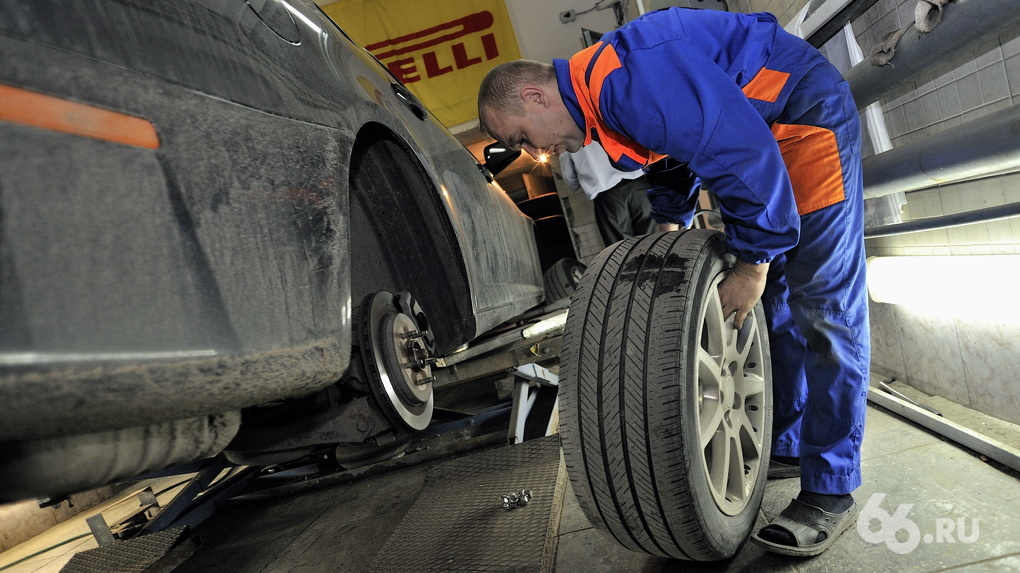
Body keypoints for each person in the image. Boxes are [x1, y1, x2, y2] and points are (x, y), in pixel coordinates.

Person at [477, 7, 869, 558]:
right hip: (760, 129)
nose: (539, 153)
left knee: (825, 309)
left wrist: (753, 264)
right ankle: (787, 441)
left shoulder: (625, 79)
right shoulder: (603, 92)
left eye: (524, 136)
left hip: (799, 117)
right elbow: (672, 149)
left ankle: (833, 488)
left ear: (538, 98)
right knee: (776, 307)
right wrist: (669, 222)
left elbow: (739, 152)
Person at [558, 141, 657, 245]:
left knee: (622, 251)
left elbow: (570, 181)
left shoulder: (567, 137)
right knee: (655, 242)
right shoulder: (609, 124)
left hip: (608, 198)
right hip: (639, 186)